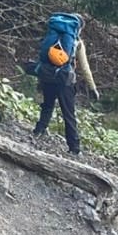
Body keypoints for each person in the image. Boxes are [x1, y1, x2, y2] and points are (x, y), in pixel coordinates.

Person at [32, 14, 99, 156]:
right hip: (64, 80)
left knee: (47, 105)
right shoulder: (76, 42)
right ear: (79, 28)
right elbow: (85, 68)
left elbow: (43, 54)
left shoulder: (54, 34)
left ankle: (39, 131)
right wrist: (92, 88)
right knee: (68, 113)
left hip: (47, 75)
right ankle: (74, 147)